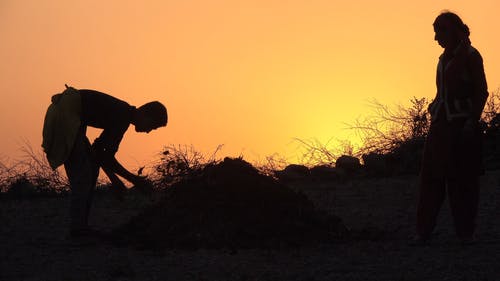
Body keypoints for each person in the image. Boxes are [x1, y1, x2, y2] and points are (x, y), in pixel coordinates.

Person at [42, 85, 168, 238]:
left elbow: (99, 154)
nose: (148, 131)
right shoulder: (122, 116)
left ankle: (81, 227)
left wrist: (115, 180)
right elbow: (105, 157)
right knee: (83, 176)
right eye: (152, 126)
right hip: (68, 113)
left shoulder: (123, 116)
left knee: (91, 167)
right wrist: (134, 180)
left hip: (70, 115)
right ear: (144, 114)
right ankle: (78, 230)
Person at [414, 11, 488, 245]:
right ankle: (424, 231)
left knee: (462, 181)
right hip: (440, 126)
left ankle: (465, 233)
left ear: (455, 30)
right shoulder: (442, 59)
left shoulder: (471, 56)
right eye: (435, 31)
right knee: (430, 179)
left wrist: (470, 121)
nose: (436, 37)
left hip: (461, 127)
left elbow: (481, 91)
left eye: (441, 30)